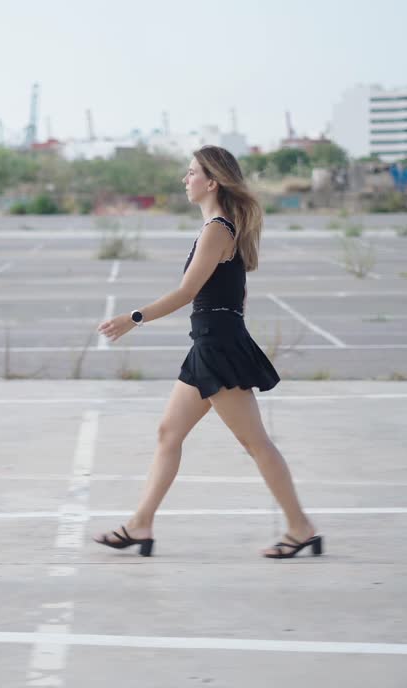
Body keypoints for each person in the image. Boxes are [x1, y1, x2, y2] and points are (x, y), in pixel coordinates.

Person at [93, 145, 321, 559]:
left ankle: (301, 527)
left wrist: (134, 317)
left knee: (256, 444)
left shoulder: (218, 228)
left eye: (192, 172)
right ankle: (141, 524)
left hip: (217, 348)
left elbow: (187, 292)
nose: (185, 178)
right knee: (169, 433)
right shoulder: (218, 228)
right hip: (210, 345)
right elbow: (236, 296)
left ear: (212, 181)